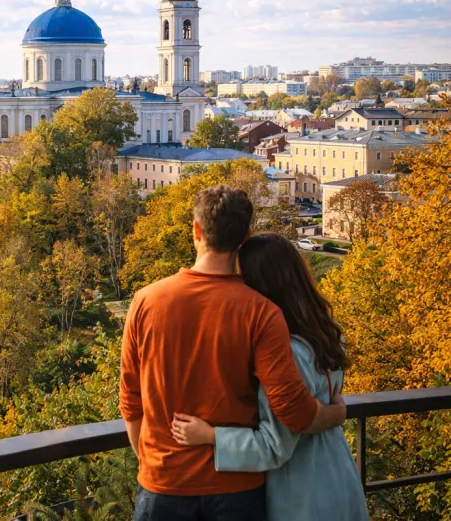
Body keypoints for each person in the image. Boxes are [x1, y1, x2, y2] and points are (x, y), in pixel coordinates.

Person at [119, 185, 346, 521]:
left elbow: (130, 400)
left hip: (163, 482)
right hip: (236, 489)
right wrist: (336, 413)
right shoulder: (262, 313)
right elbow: (294, 412)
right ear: (245, 237)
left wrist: (152, 463)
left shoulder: (146, 301)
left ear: (196, 231)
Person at [170, 233, 368, 521]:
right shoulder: (328, 334)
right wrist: (335, 414)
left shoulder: (286, 352)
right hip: (339, 475)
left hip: (302, 490)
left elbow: (275, 445)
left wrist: (211, 436)